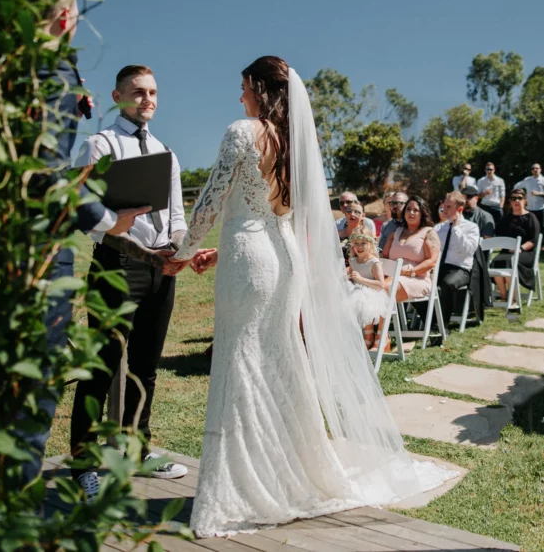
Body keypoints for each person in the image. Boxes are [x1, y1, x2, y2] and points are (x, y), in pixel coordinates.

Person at [168, 56, 454, 537]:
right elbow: (278, 216)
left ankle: (242, 486)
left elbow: (211, 201)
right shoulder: (297, 144)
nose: (240, 97)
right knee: (279, 362)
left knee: (242, 363)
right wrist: (226, 249)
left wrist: (181, 253)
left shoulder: (244, 131)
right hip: (282, 260)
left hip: (250, 257)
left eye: (243, 87)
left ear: (260, 88)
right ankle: (287, 472)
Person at [18, 0, 147, 486]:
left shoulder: (8, 72)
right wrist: (106, 219)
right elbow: (46, 175)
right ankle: (17, 511)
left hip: (3, 246)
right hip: (44, 250)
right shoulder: (52, 75)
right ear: (67, 16)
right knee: (36, 386)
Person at [69, 65, 190, 495]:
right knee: (100, 369)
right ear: (118, 96)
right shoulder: (99, 144)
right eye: (138, 92)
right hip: (116, 268)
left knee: (145, 368)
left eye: (153, 92)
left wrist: (179, 246)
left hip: (162, 271)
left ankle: (137, 451)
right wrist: (112, 223)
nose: (148, 100)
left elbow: (177, 216)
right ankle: (83, 465)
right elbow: (81, 207)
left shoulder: (166, 152)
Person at [432, 192, 481, 326]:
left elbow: (468, 250)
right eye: (444, 206)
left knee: (447, 284)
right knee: (417, 282)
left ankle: (442, 324)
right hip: (439, 267)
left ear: (459, 209)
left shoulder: (471, 227)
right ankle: (427, 319)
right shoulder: (438, 228)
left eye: (448, 207)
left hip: (460, 269)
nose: (444, 210)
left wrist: (457, 228)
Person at [382, 195, 441, 303]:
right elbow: (384, 256)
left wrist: (409, 272)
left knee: (381, 289)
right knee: (367, 288)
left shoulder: (428, 233)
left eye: (415, 210)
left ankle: (376, 320)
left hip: (416, 279)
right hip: (392, 276)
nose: (411, 213)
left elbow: (432, 261)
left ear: (422, 213)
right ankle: (373, 320)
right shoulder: (395, 232)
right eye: (408, 209)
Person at [492, 188, 541, 305]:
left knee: (509, 262)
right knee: (496, 262)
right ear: (510, 201)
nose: (516, 201)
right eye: (513, 198)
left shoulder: (531, 217)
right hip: (506, 252)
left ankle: (513, 298)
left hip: (525, 252)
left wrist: (520, 249)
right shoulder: (506, 219)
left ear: (524, 200)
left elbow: (534, 240)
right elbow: (499, 235)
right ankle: (504, 295)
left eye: (519, 198)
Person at [345, 229, 391, 351]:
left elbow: (381, 284)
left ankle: (377, 338)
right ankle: (367, 337)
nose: (359, 247)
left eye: (363, 243)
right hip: (358, 291)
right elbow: (353, 276)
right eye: (356, 243)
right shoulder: (353, 261)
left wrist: (360, 279)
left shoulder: (374, 262)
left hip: (375, 292)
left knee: (364, 303)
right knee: (353, 300)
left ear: (370, 244)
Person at [514, 162, 544, 232]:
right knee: (528, 227)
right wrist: (521, 195)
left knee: (541, 228)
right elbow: (516, 186)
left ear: (540, 169)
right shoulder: (527, 180)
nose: (535, 170)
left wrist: (539, 193)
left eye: (537, 168)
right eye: (533, 168)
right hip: (529, 208)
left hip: (540, 208)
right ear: (531, 171)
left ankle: (540, 242)